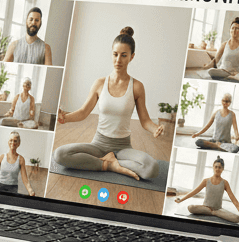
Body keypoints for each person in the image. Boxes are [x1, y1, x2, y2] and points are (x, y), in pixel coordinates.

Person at [52, 27, 163, 182]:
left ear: (132, 57)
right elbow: (84, 112)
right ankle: (109, 165)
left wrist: (155, 129)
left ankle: (108, 162)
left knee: (152, 168)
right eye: (115, 54)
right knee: (60, 154)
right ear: (111, 53)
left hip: (123, 147)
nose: (118, 60)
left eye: (124, 55)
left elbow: (145, 120)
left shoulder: (137, 86)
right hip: (98, 145)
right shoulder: (100, 83)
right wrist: (65, 118)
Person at [173, 157, 239, 223]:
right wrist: (181, 200)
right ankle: (211, 212)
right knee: (190, 208)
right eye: (216, 167)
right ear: (213, 167)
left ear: (222, 169)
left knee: (237, 218)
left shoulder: (225, 183)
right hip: (205, 208)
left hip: (218, 210)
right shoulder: (206, 181)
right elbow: (194, 192)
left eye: (219, 167)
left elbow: (232, 196)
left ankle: (214, 213)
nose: (217, 169)